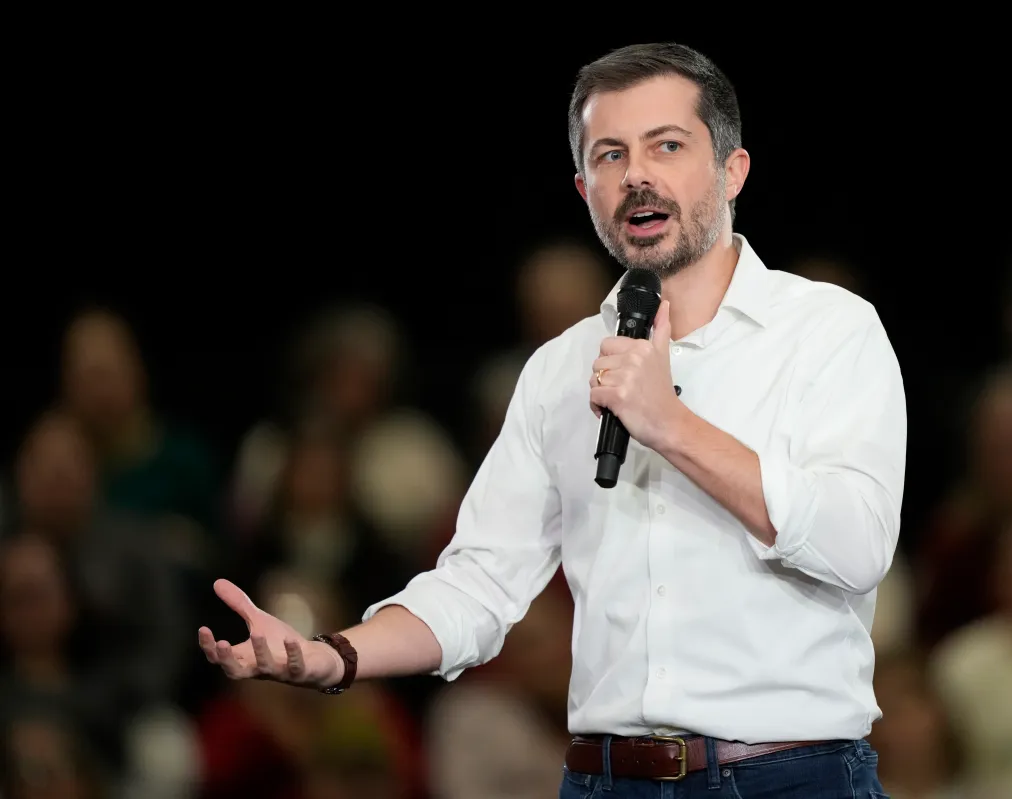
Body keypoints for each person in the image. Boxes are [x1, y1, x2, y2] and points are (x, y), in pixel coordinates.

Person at [198, 42, 906, 798]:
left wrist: (669, 424)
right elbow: (478, 584)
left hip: (789, 777)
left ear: (733, 171)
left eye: (667, 146)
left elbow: (857, 544)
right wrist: (332, 656)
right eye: (610, 155)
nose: (636, 174)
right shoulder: (558, 369)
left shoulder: (828, 331)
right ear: (584, 190)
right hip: (606, 780)